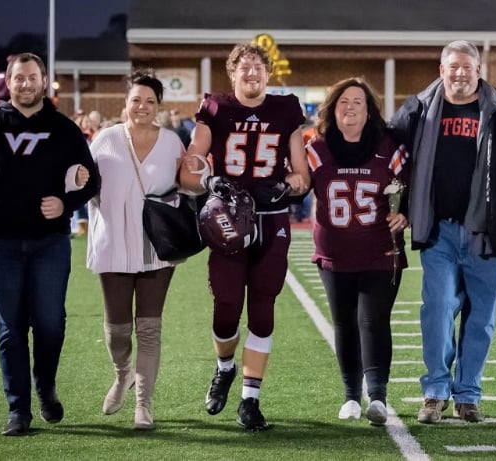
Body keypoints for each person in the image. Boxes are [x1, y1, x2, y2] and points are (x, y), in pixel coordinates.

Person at [0, 52, 99, 436]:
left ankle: (44, 385)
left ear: (44, 80)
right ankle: (18, 410)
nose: (26, 84)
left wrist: (66, 203)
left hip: (50, 242)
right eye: (19, 78)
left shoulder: (65, 129)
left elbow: (93, 180)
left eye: (33, 77)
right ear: (8, 82)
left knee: (50, 324)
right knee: (10, 329)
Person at [180, 43, 310, 431]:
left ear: (268, 74)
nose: (252, 73)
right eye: (244, 67)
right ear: (232, 74)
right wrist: (209, 179)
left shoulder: (285, 110)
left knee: (263, 309)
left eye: (258, 67)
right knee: (225, 308)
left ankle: (250, 400)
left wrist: (286, 187)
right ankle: (224, 367)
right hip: (228, 221)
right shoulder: (216, 108)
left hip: (271, 219)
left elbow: (302, 176)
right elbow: (189, 170)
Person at [390, 40, 496, 424]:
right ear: (441, 69)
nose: (461, 73)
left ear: (478, 70)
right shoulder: (417, 109)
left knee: (481, 317)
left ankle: (468, 394)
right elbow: (387, 150)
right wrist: (401, 205)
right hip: (439, 230)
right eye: (454, 67)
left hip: (485, 230)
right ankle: (435, 392)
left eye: (468, 67)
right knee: (438, 308)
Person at [81, 71, 185, 430]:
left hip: (157, 247)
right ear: (125, 103)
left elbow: (186, 187)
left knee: (150, 328)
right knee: (118, 330)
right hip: (113, 246)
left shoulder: (172, 142)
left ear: (159, 106)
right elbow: (83, 186)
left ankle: (144, 403)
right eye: (136, 100)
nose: (142, 107)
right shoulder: (104, 140)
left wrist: (200, 176)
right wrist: (73, 181)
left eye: (150, 101)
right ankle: (122, 373)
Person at [306, 77, 409, 425]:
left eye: (358, 102)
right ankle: (351, 395)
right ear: (332, 109)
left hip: (380, 250)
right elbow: (296, 184)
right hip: (334, 254)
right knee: (344, 322)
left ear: (370, 111)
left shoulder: (389, 146)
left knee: (373, 320)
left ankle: (377, 396)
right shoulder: (317, 147)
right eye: (343, 102)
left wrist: (405, 211)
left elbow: (413, 184)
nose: (350, 108)